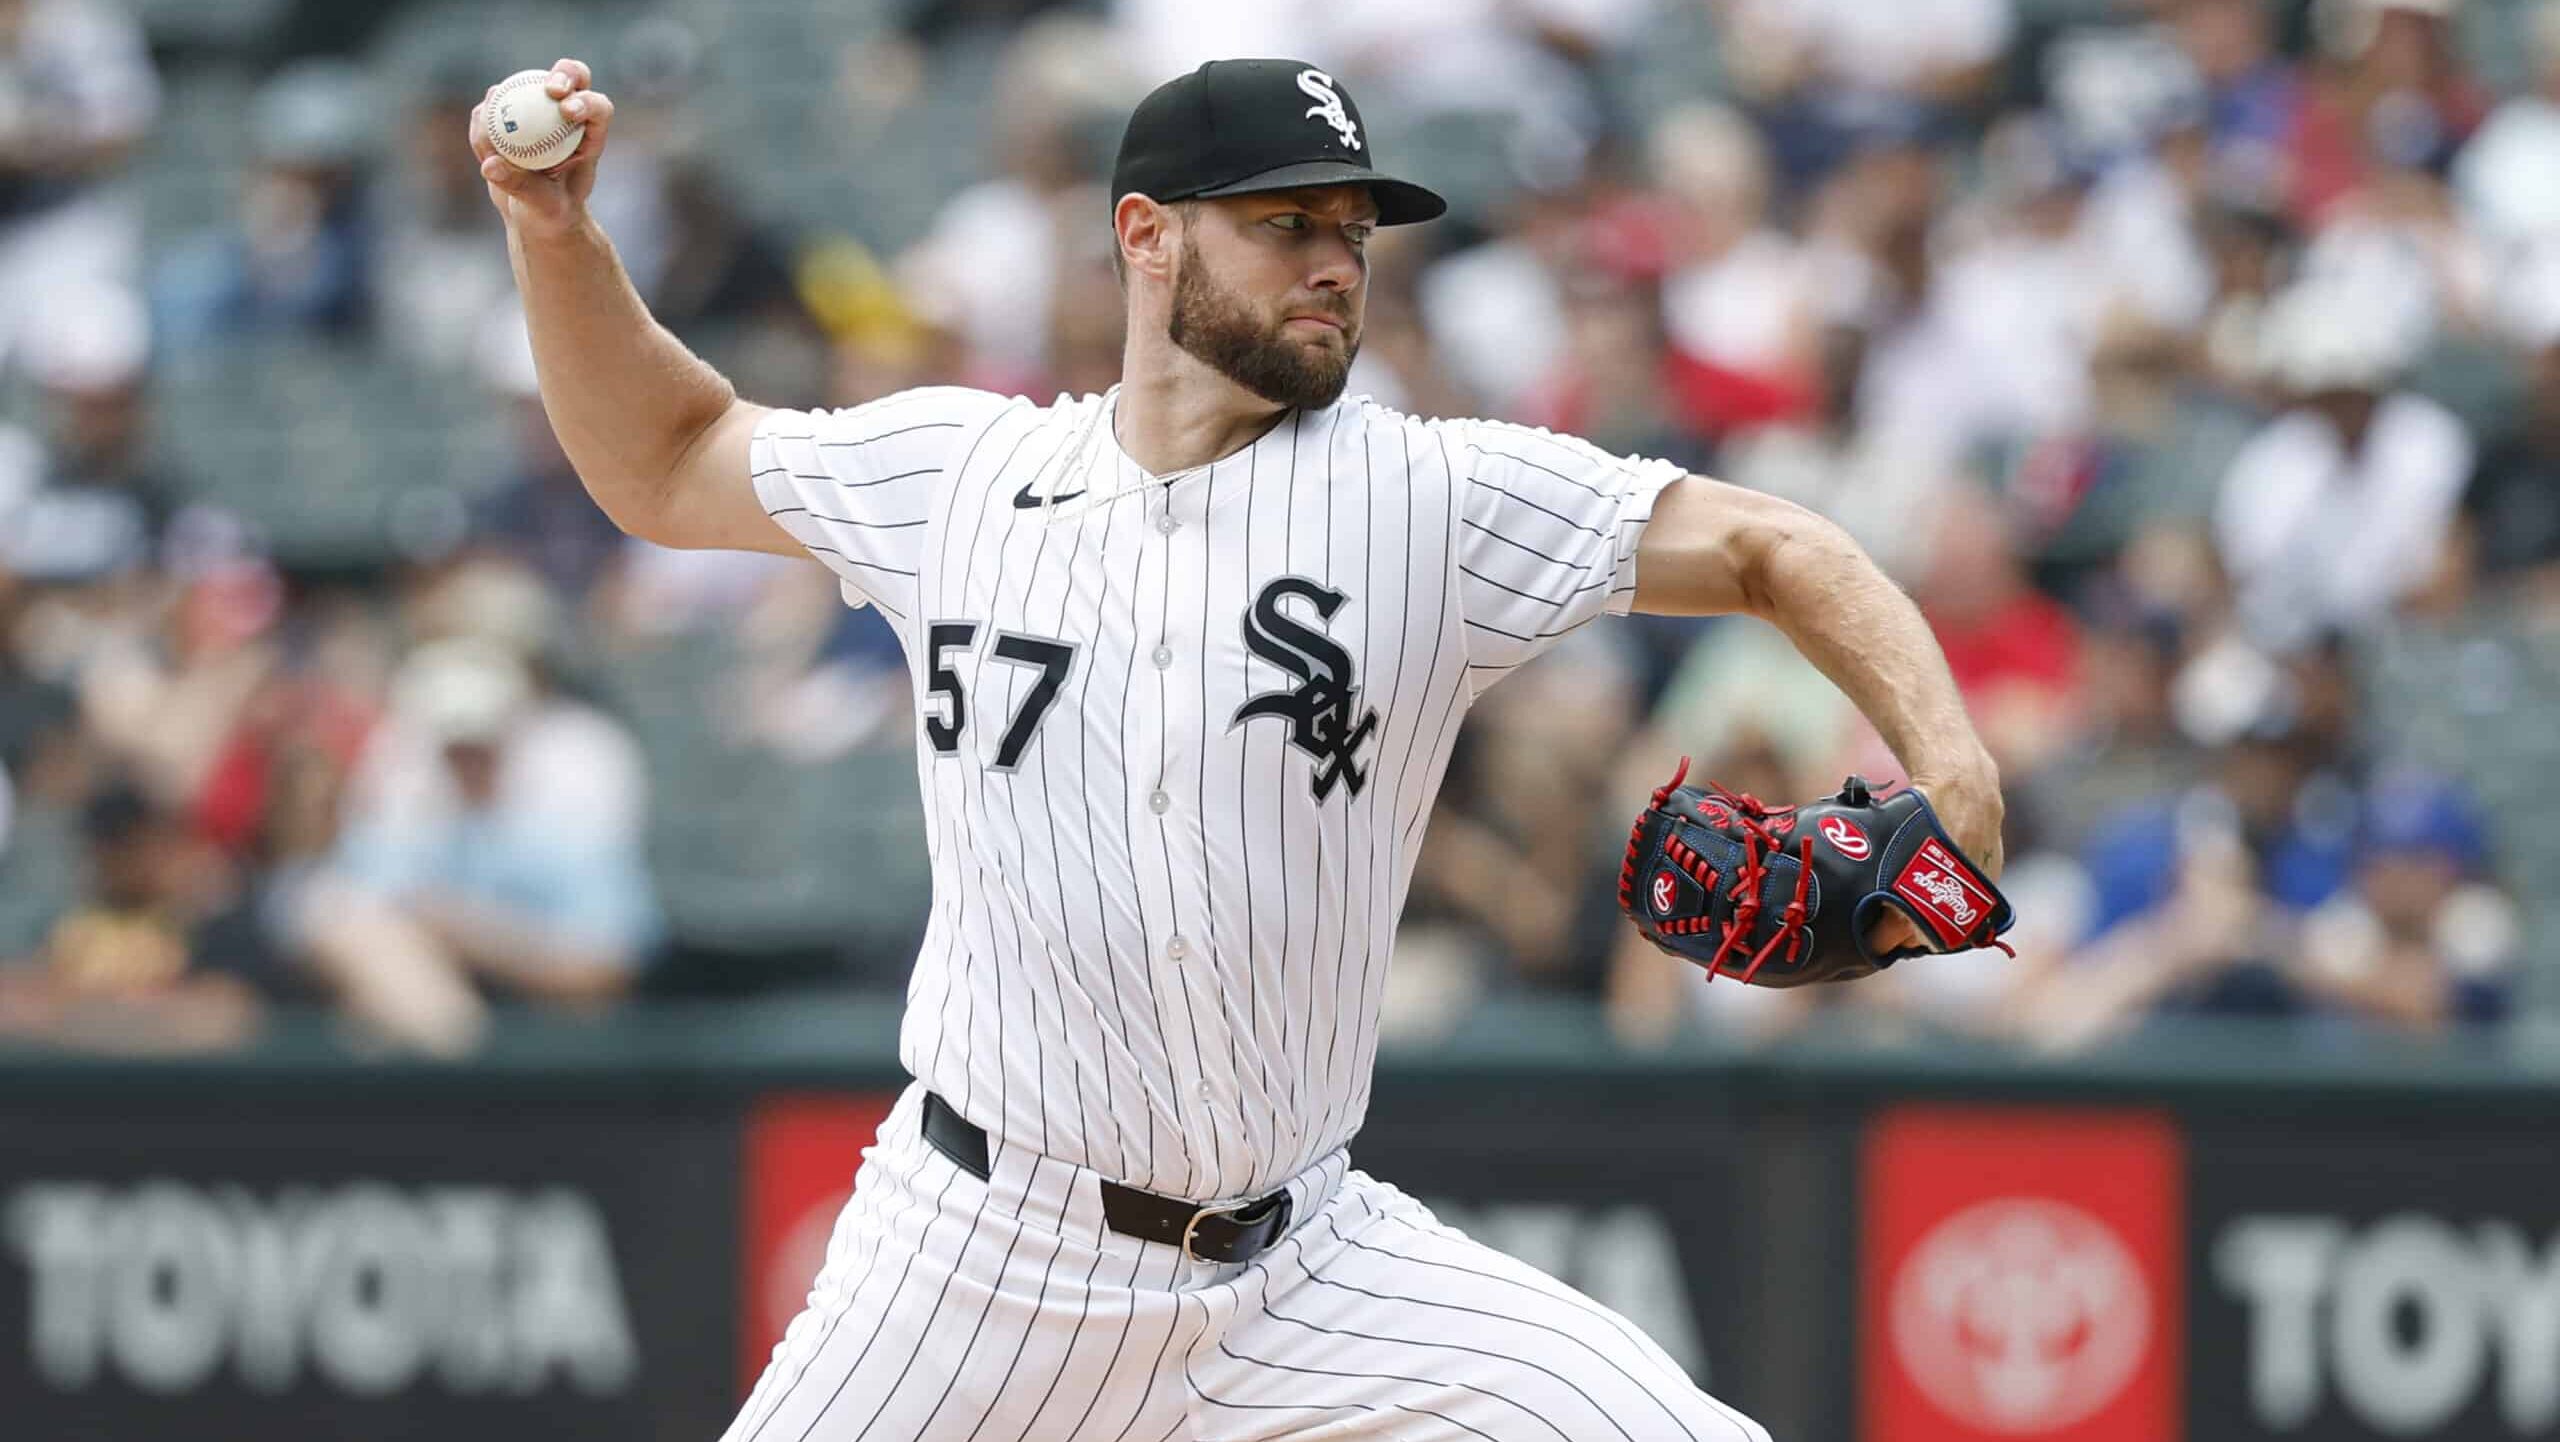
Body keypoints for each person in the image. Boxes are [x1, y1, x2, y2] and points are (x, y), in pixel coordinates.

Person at [474, 55, 2005, 1442]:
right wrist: (557, 236)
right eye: (1287, 222)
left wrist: (1957, 774)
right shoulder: (962, 473)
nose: (1337, 259)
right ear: (1147, 235)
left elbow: (1771, 545)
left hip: (1307, 1270)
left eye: (1354, 229)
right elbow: (671, 456)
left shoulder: (1427, 500)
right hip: (975, 1261)